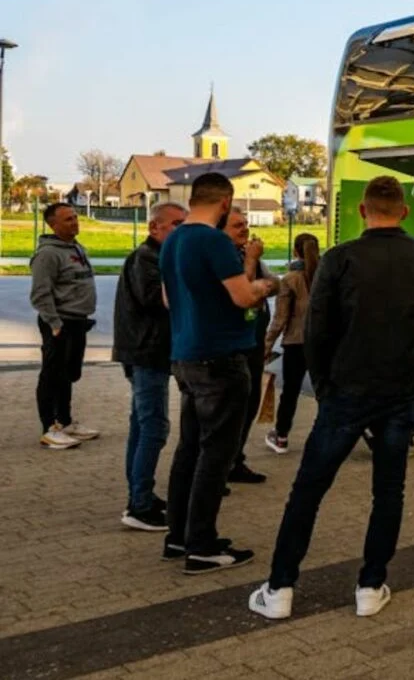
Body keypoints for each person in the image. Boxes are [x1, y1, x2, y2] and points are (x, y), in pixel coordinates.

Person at [248, 176, 414, 620]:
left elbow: (317, 330)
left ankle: (280, 588)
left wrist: (323, 385)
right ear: (404, 211)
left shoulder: (339, 259)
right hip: (400, 390)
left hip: (345, 391)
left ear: (361, 211)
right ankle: (370, 585)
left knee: (309, 490)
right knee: (389, 492)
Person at [161, 173, 276, 575]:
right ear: (225, 201)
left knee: (188, 449)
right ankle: (203, 545)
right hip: (222, 358)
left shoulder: (174, 239)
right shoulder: (214, 241)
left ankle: (178, 535)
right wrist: (265, 285)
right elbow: (243, 296)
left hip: (186, 356)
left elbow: (165, 297)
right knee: (216, 455)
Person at [112, 202, 187, 531]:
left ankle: (142, 494)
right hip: (146, 354)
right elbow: (155, 300)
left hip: (148, 352)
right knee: (154, 427)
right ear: (154, 227)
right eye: (176, 224)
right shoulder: (147, 258)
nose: (182, 230)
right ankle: (139, 505)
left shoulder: (157, 257)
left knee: (143, 426)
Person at [30, 202, 100, 450]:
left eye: (75, 217)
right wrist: (54, 324)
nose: (75, 222)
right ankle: (49, 428)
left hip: (78, 322)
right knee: (51, 375)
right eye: (68, 219)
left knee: (68, 375)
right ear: (53, 224)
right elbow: (40, 294)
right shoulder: (48, 254)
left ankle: (65, 421)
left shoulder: (76, 248)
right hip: (59, 323)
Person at [223, 208, 276, 484]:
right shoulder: (225, 258)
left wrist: (260, 279)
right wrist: (253, 263)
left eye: (246, 224)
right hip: (234, 345)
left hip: (254, 338)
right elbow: (243, 292)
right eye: (237, 226)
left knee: (250, 402)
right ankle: (219, 468)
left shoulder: (246, 254)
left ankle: (236, 459)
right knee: (232, 406)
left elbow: (274, 285)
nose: (245, 230)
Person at [262, 233, 318, 454]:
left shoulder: (290, 279)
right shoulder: (326, 276)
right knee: (327, 391)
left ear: (296, 251)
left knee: (291, 391)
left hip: (296, 342)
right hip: (323, 343)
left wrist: (267, 346)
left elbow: (280, 318)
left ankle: (281, 436)